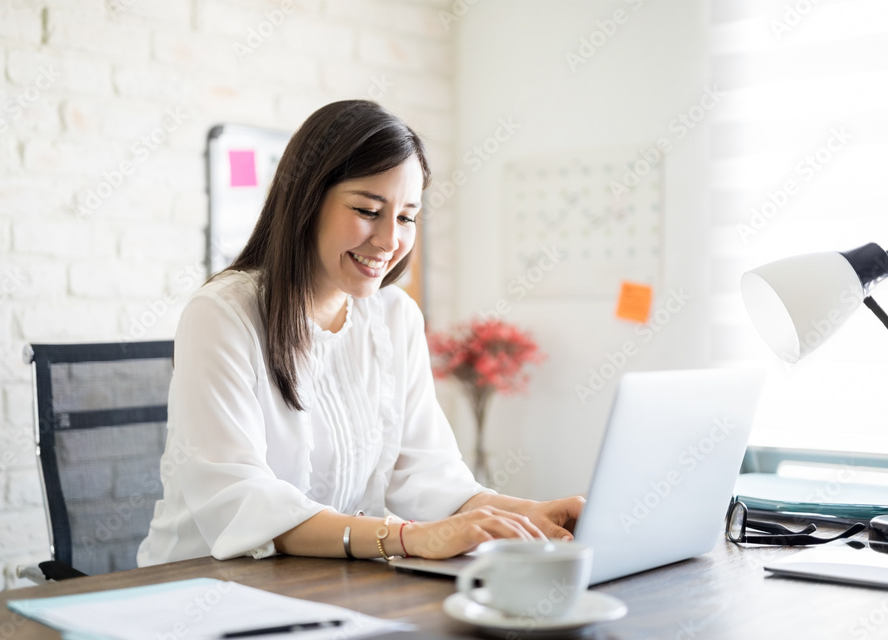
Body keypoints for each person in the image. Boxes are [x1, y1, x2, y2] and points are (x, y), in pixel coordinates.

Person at [137, 100, 583, 567]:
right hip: (199, 587)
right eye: (369, 210)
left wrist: (534, 515)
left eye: (407, 217)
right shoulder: (224, 314)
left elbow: (429, 476)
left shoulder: (395, 318)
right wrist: (408, 537)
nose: (391, 240)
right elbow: (240, 501)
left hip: (318, 588)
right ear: (307, 200)